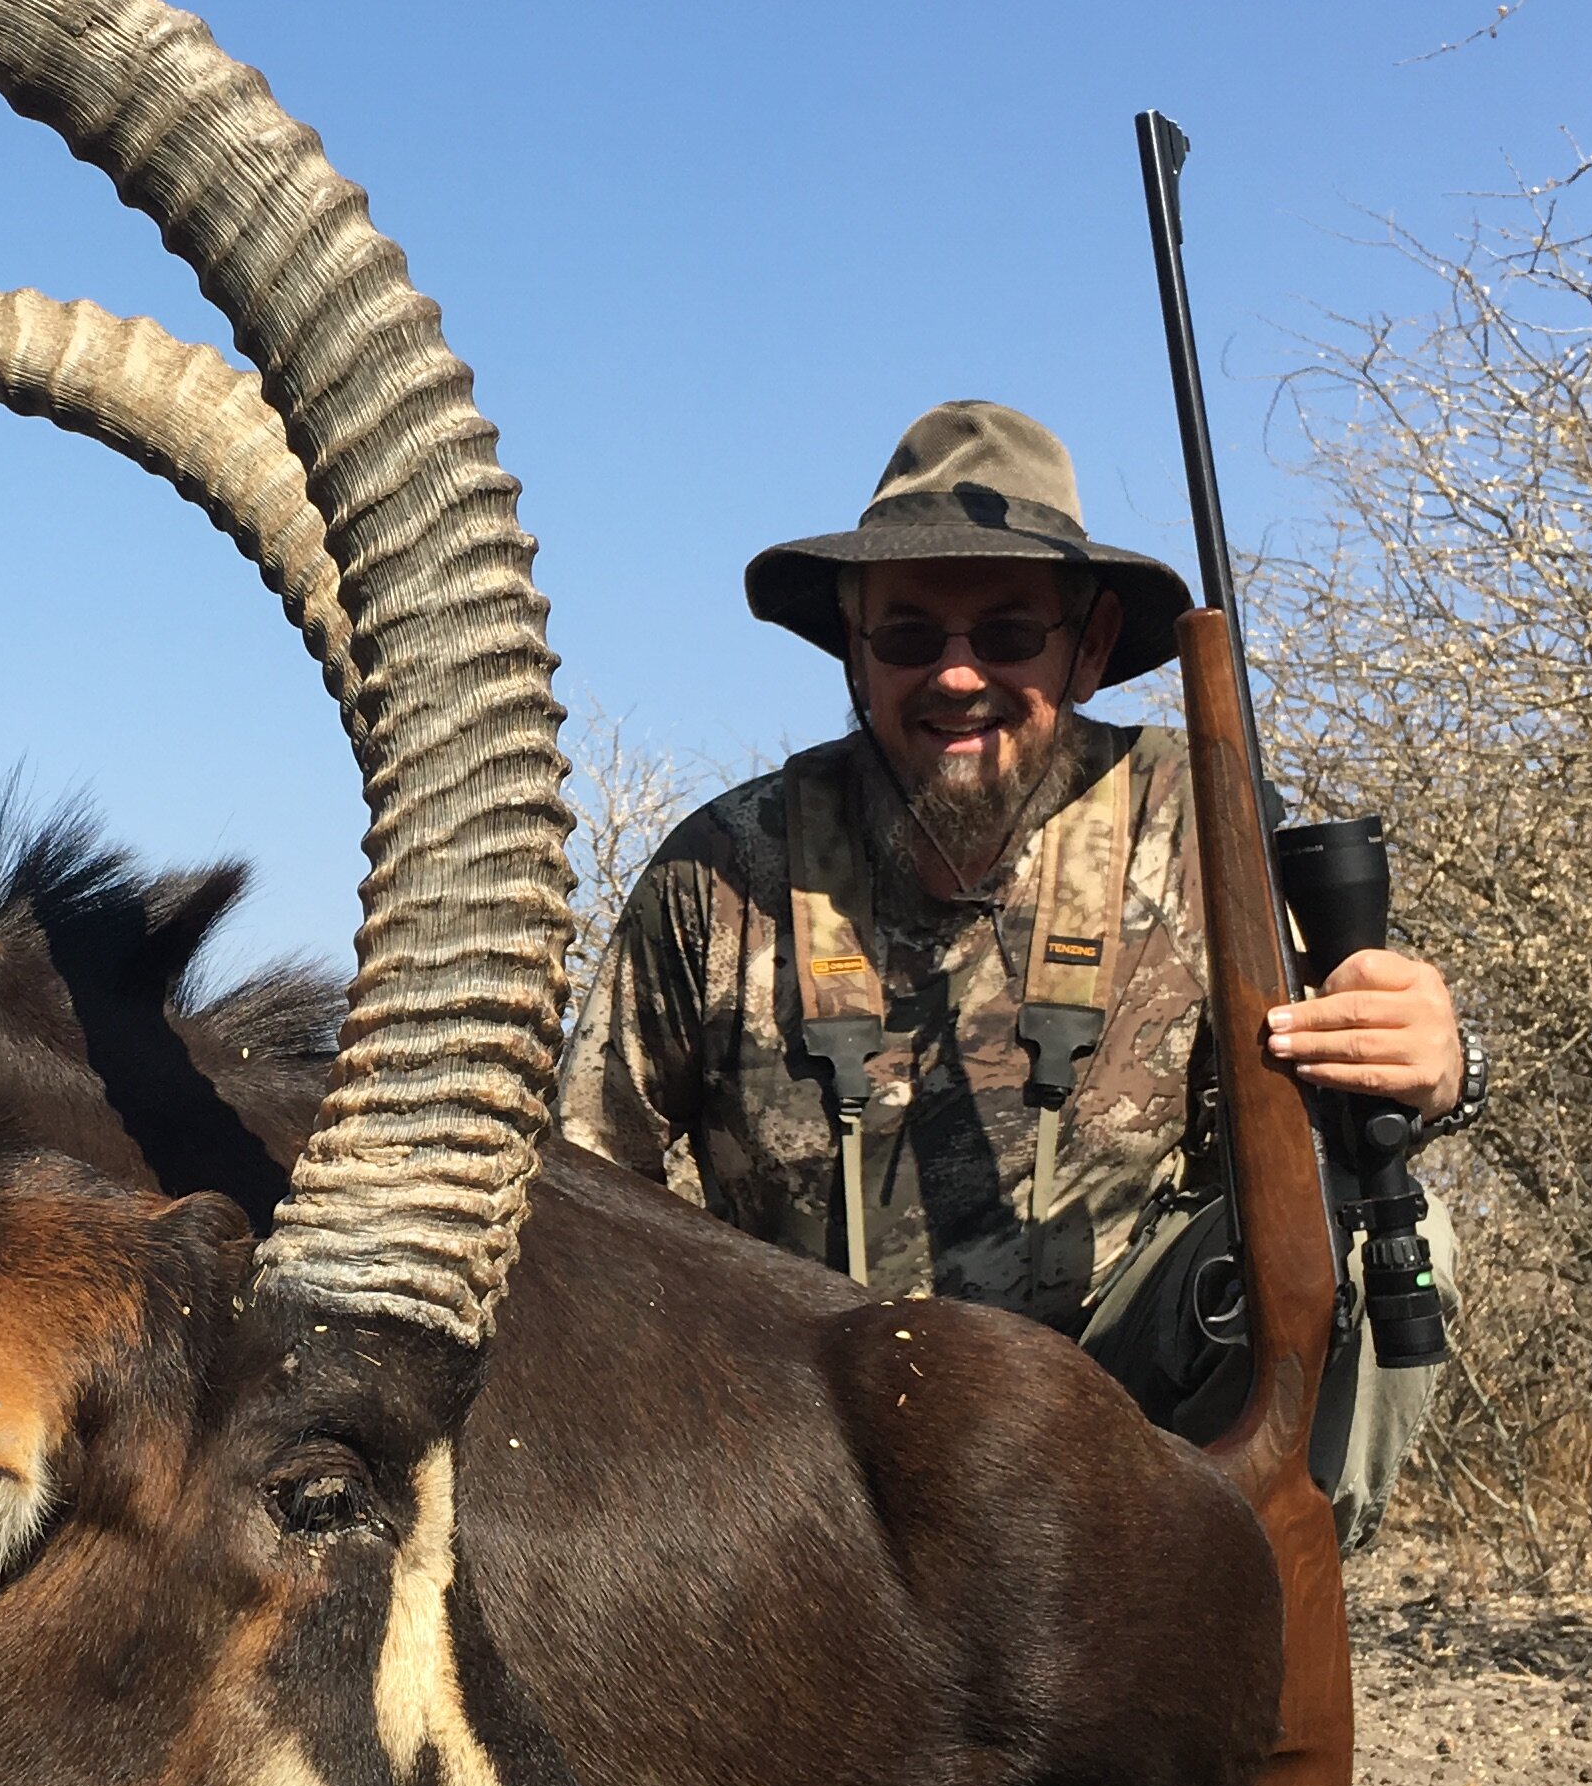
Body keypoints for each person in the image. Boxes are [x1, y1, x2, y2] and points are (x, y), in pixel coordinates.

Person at [556, 399, 1482, 1543]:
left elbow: (1327, 1127)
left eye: (1005, 634)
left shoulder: (1206, 829)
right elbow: (579, 1188)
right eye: (906, 636)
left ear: (1088, 648)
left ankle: (1256, 1629)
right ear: (852, 647)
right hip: (804, 1458)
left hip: (1121, 1436)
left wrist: (1440, 1061)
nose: (955, 677)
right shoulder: (724, 866)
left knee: (1382, 1240)